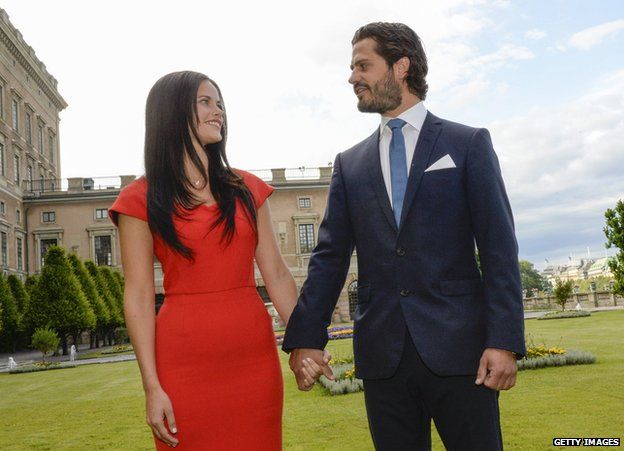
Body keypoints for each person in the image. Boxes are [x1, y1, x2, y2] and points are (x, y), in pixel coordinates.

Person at [282, 23, 526, 450]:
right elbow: (329, 257)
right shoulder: (349, 164)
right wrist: (306, 337)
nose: (352, 77)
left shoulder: (467, 143)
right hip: (383, 357)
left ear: (401, 66)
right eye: (352, 67)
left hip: (462, 354)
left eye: (363, 65)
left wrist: (503, 341)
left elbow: (499, 249)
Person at [109, 71, 302, 450]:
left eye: (220, 103)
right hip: (183, 365)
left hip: (254, 362)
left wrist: (304, 342)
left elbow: (277, 275)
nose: (219, 111)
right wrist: (152, 387)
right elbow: (138, 296)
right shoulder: (139, 198)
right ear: (172, 112)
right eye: (205, 102)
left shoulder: (247, 188)